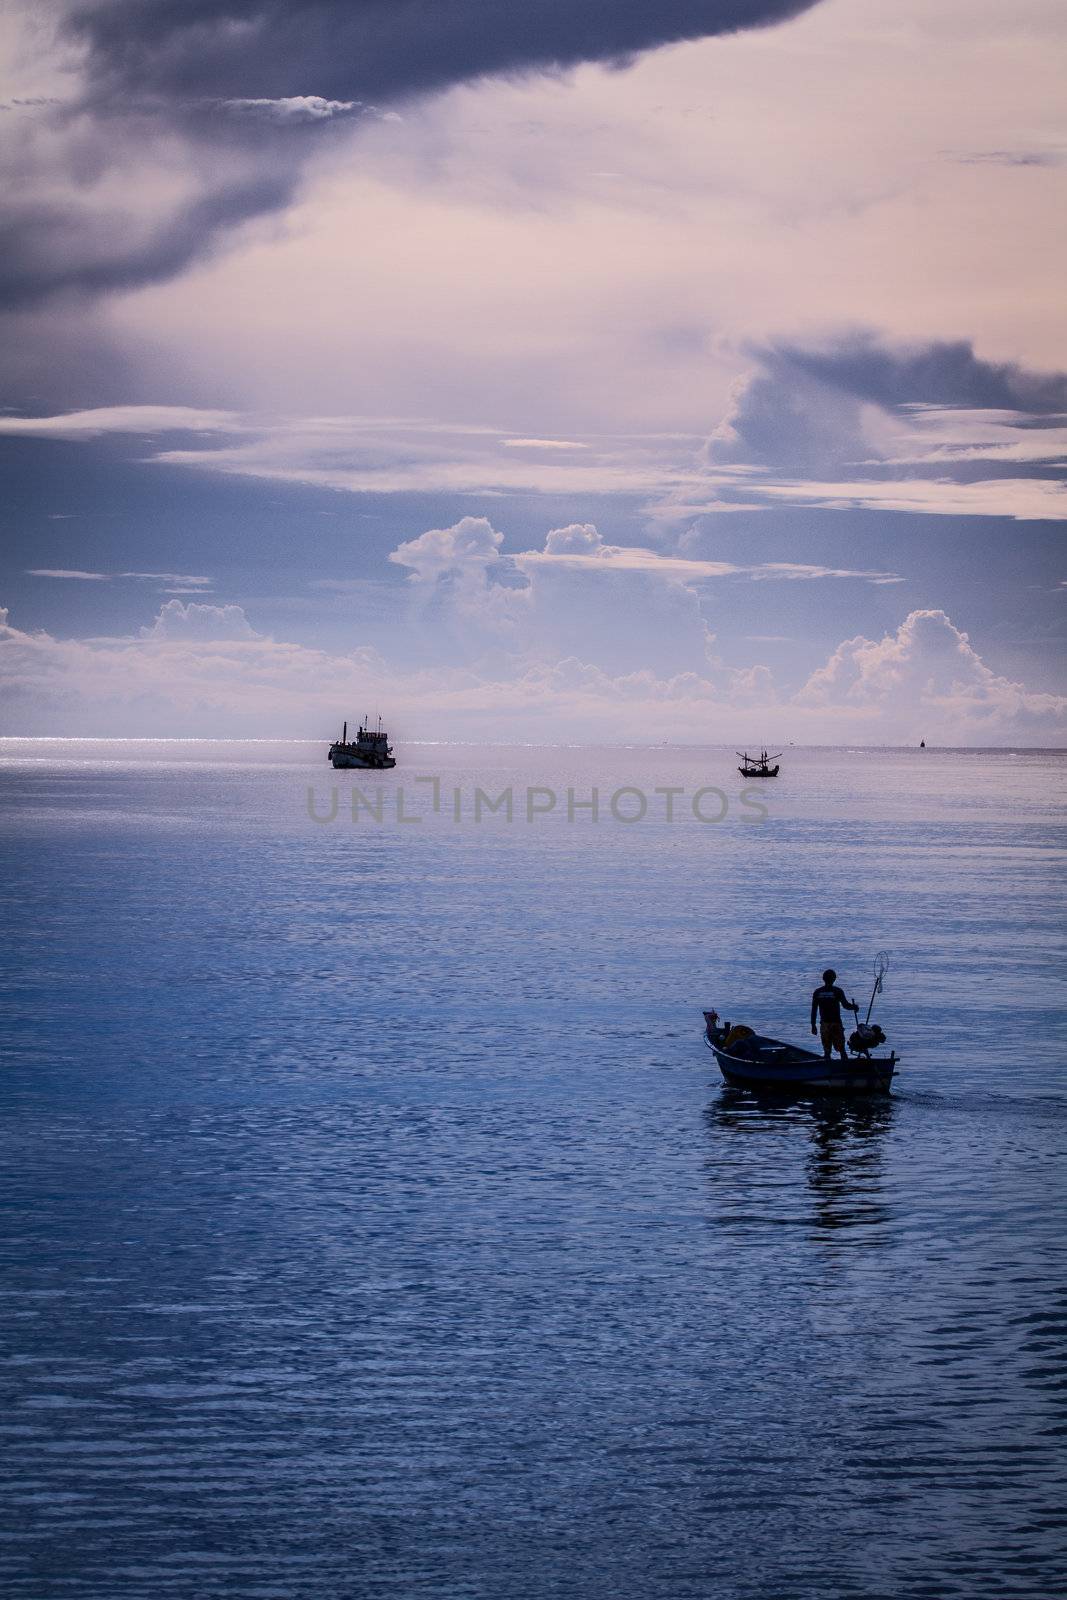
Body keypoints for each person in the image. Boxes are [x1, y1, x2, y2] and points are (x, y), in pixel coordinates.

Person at [810, 968, 859, 1061]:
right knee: (842, 1050)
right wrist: (854, 1007)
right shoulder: (838, 991)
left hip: (824, 1024)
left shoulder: (818, 992)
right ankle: (845, 1068)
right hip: (836, 1024)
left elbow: (814, 1010)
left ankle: (828, 1068)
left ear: (823, 979)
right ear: (834, 979)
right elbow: (845, 1005)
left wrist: (813, 1025)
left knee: (827, 1051)